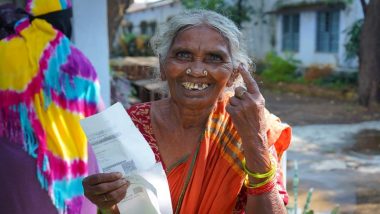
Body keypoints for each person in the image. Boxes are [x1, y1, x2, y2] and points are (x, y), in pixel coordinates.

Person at [83, 9, 291, 213]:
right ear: (163, 67)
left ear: (234, 73)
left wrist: (254, 141)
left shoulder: (247, 128)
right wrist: (105, 201)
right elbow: (122, 205)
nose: (197, 70)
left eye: (214, 58)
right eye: (183, 55)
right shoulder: (132, 124)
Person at [0, 0, 103, 213]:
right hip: (71, 168)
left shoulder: (3, 52)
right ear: (63, 20)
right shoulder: (76, 60)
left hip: (16, 163)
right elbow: (99, 115)